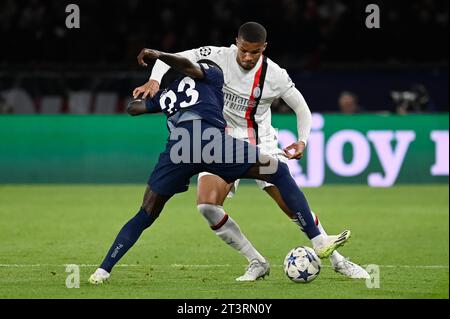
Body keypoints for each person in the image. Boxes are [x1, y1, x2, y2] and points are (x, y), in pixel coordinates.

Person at [89, 49, 350, 284]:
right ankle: (316, 240)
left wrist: (149, 95)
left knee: (145, 214)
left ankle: (103, 270)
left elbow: (134, 109)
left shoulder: (169, 95)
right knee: (278, 170)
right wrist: (161, 56)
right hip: (212, 145)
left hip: (178, 152)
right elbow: (186, 64)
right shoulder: (212, 74)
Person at [133, 22, 369, 281]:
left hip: (260, 143)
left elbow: (301, 109)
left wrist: (302, 140)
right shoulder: (217, 56)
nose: (247, 57)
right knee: (207, 205)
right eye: (243, 50)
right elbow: (174, 58)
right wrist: (154, 80)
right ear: (236, 43)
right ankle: (256, 261)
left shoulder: (275, 74)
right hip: (219, 143)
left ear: (264, 48)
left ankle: (337, 260)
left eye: (254, 52)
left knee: (290, 205)